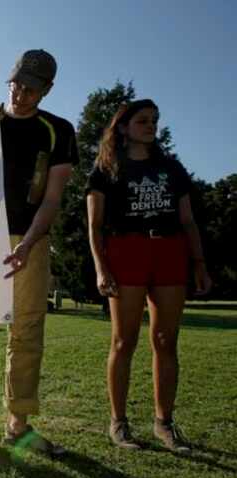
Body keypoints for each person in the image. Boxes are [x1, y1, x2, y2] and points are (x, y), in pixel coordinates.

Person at [0, 49, 78, 465]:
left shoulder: (58, 130)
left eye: (32, 88)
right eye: (17, 84)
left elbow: (53, 197)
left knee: (26, 334)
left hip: (32, 239)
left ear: (47, 90)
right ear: (8, 79)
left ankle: (18, 426)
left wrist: (28, 242)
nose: (21, 94)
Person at [86, 99, 211, 453]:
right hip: (126, 253)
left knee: (166, 341)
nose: (151, 126)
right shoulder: (105, 169)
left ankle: (164, 423)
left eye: (154, 120)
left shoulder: (171, 168)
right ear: (123, 127)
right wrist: (101, 267)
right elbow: (94, 226)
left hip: (170, 252)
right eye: (143, 120)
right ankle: (119, 422)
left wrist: (199, 263)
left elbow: (188, 220)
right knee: (124, 342)